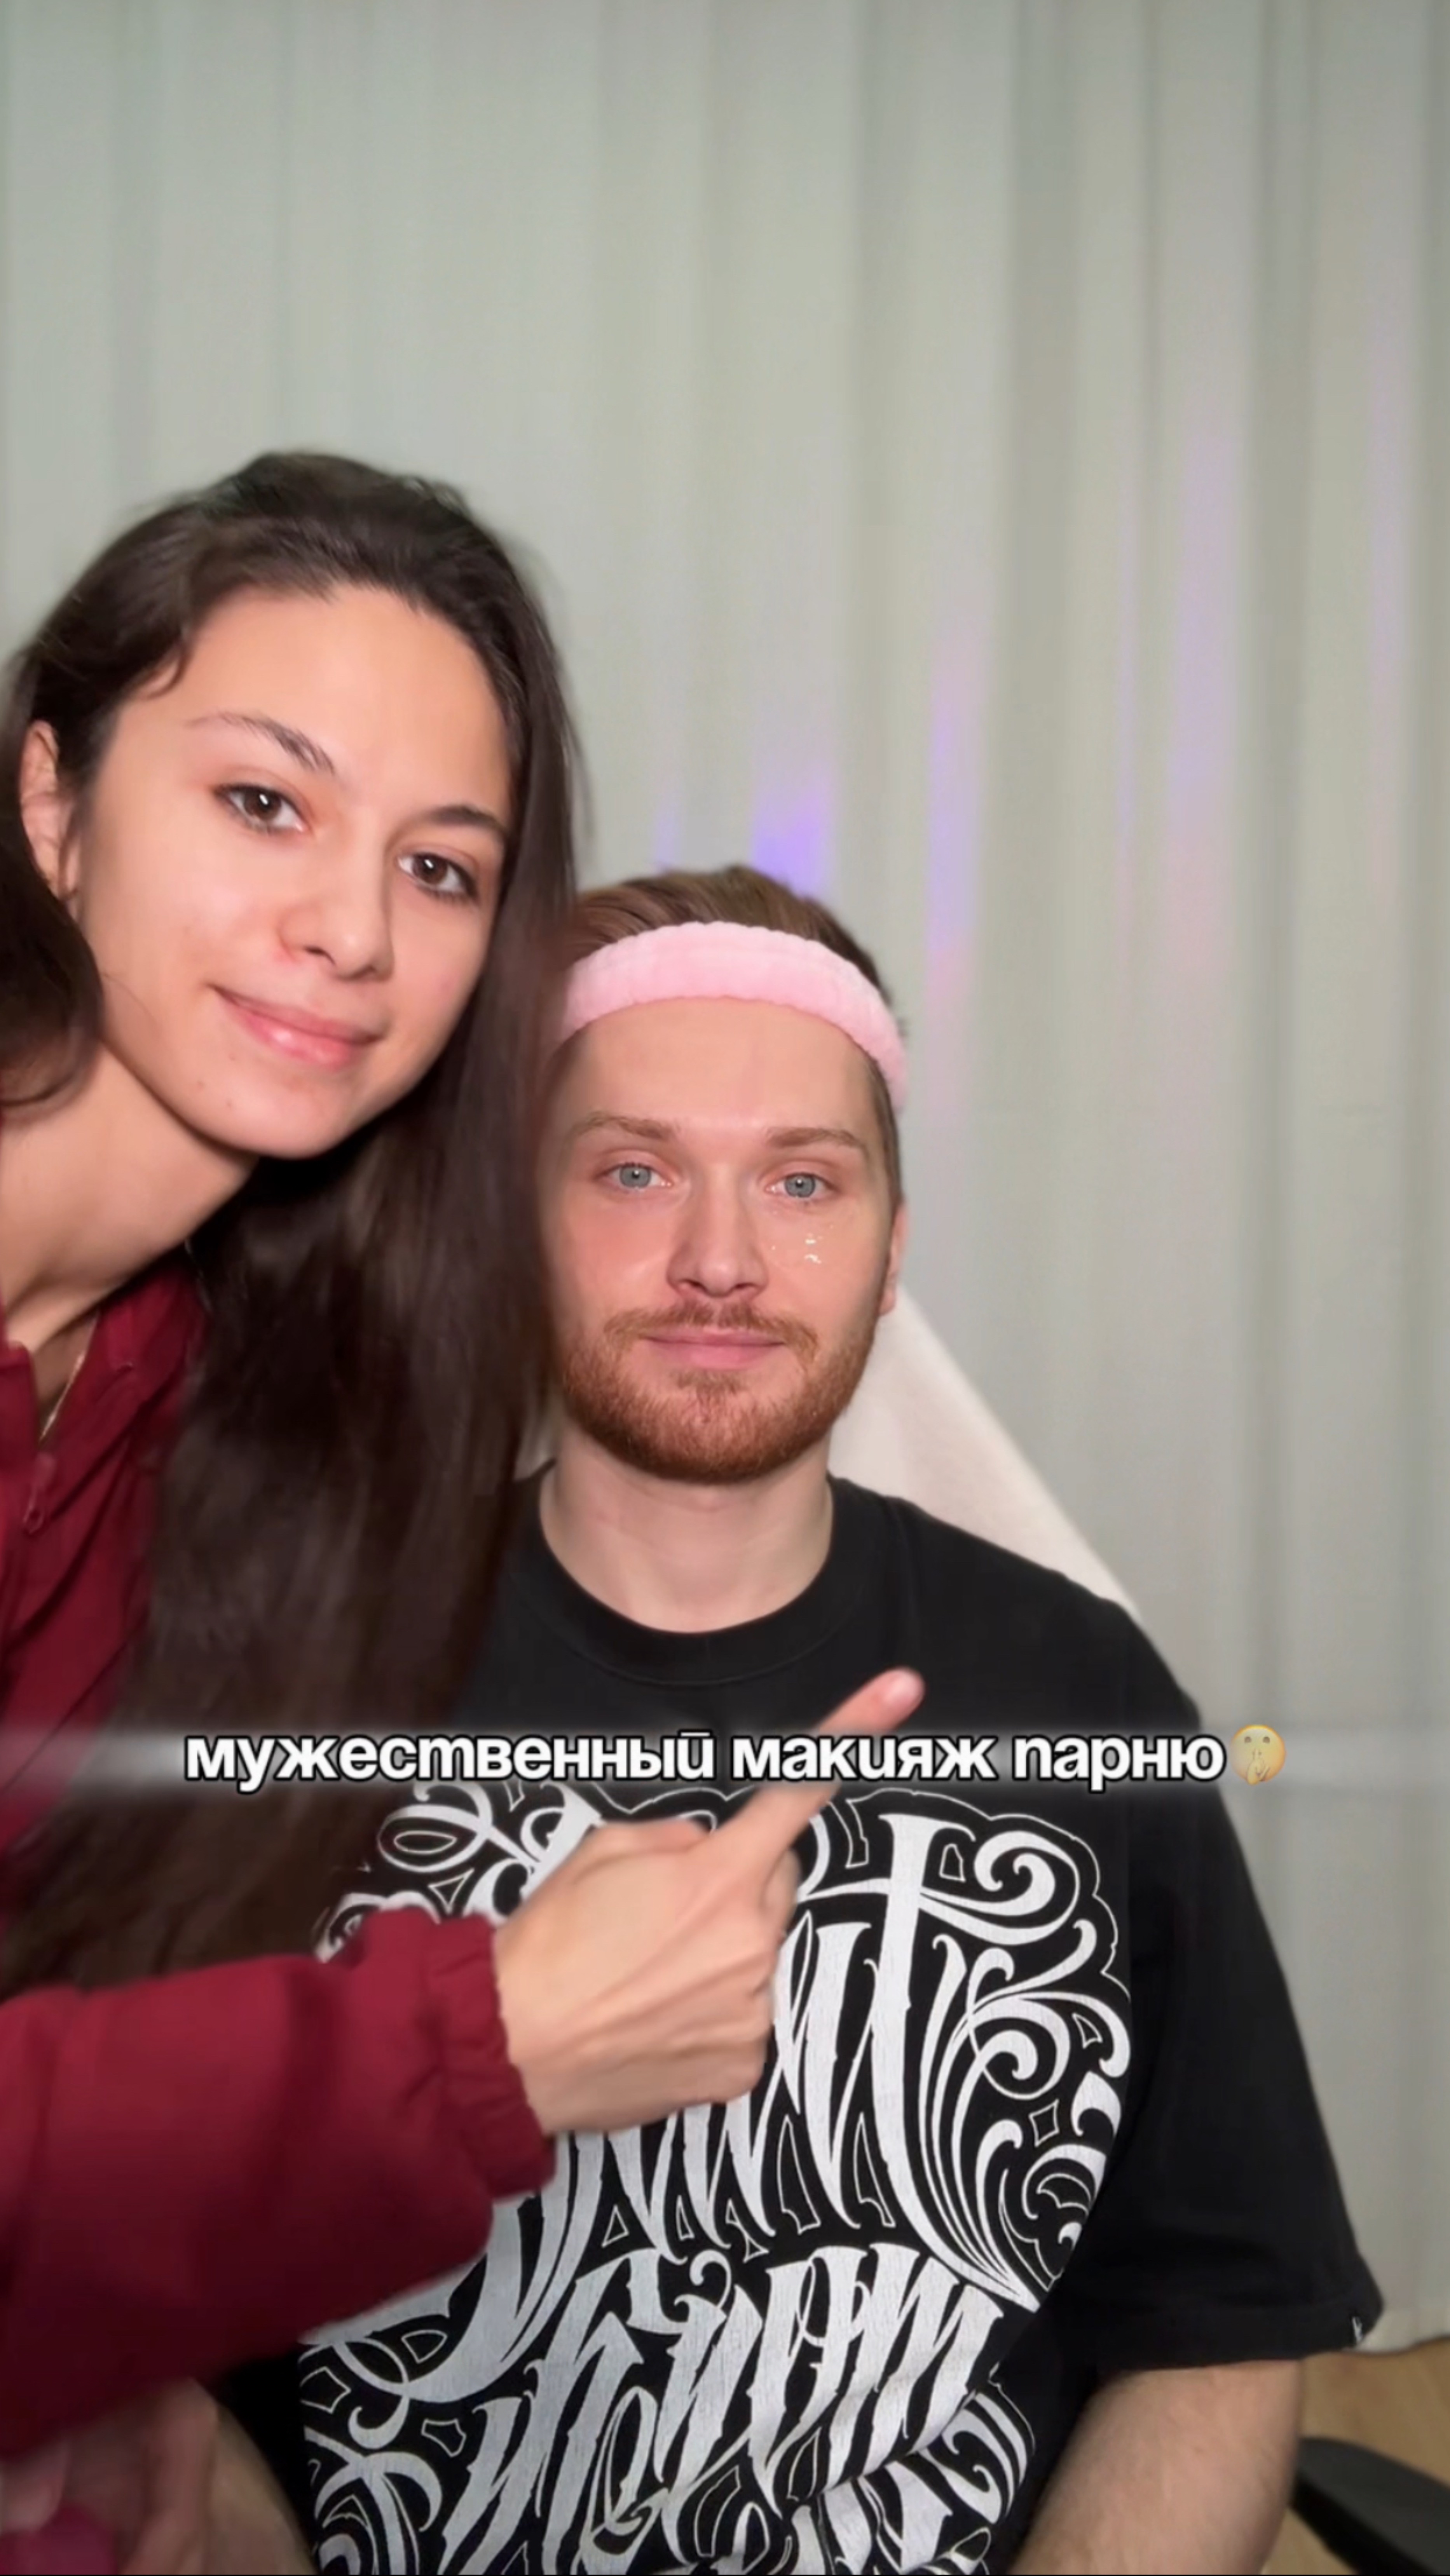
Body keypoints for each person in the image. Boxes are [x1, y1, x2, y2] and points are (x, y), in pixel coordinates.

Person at [235, 864, 1380, 2576]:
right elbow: (150, 2335)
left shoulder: (1082, 1691)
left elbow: (1217, 2321)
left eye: (802, 1180)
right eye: (634, 1171)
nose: (720, 1261)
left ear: (892, 1248)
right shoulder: (289, 1680)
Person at [0, 462, 913, 2540]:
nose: (349, 929)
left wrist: (112, 2346)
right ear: (53, 804)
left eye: (439, 864)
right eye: (263, 801)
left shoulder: (220, 1402)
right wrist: (497, 2038)